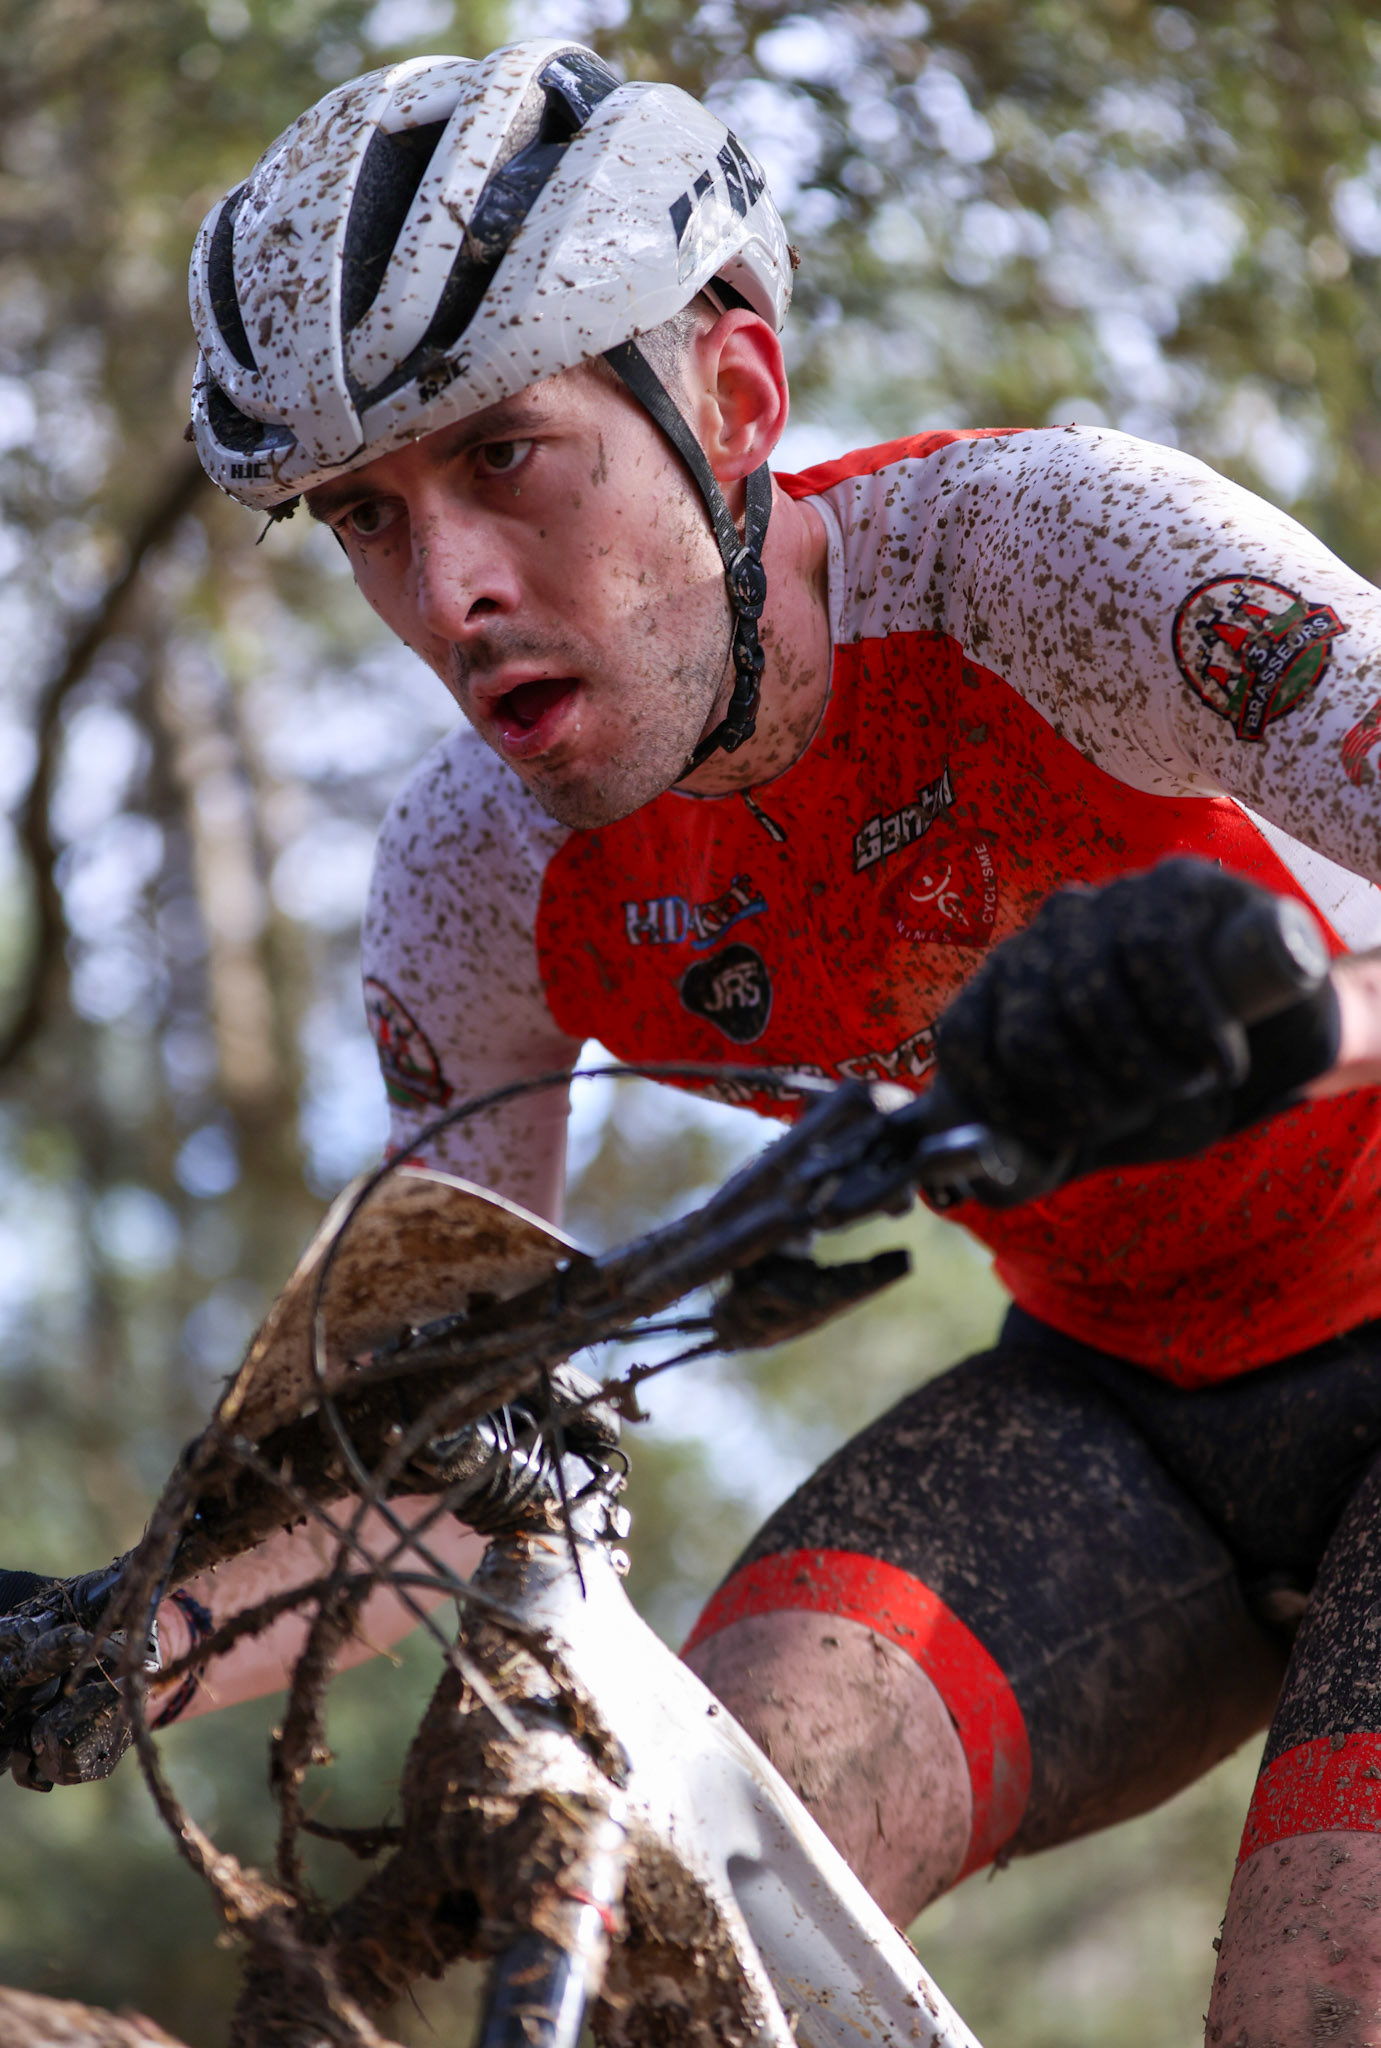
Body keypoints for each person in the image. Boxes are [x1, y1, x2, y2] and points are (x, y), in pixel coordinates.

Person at [68, 33, 1381, 2042]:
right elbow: (427, 1451)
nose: (451, 590)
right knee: (663, 1899)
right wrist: (131, 1637)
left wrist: (1292, 1013)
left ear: (735, 400)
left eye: (502, 456)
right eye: (364, 518)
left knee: (1320, 1999)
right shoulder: (478, 880)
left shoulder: (1059, 563)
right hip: (1122, 1405)